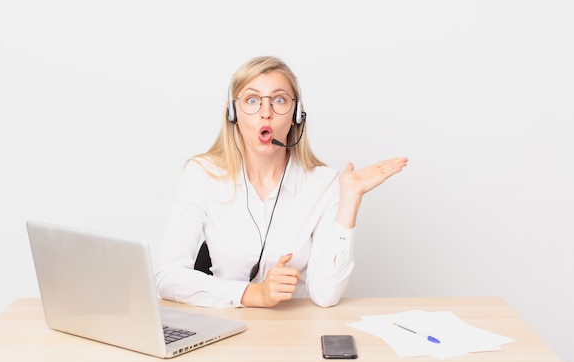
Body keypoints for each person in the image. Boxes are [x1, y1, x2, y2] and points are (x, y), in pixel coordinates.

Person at [154, 56, 408, 308]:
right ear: (233, 113)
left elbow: (325, 294)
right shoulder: (202, 174)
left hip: (292, 333)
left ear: (296, 115)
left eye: (279, 100)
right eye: (252, 100)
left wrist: (350, 199)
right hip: (224, 328)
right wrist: (254, 294)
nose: (266, 113)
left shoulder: (323, 183)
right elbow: (167, 277)